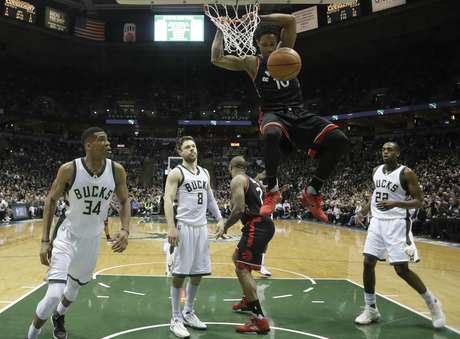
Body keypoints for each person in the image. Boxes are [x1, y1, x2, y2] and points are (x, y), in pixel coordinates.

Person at [210, 13, 350, 222]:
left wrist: (258, 16)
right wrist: (221, 28)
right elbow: (217, 58)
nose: (269, 48)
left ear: (278, 43)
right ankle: (272, 190)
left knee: (340, 140)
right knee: (272, 133)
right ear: (257, 44)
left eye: (272, 43)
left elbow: (291, 21)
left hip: (298, 112)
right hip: (272, 112)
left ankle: (312, 192)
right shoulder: (252, 62)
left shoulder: (286, 52)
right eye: (265, 44)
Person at [25, 127, 131, 339]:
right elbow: (51, 200)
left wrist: (125, 230)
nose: (108, 143)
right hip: (67, 235)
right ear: (88, 145)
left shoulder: (116, 170)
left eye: (108, 139)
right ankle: (32, 334)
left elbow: (125, 200)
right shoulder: (69, 169)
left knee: (73, 289)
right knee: (55, 293)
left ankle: (59, 316)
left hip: (91, 240)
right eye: (102, 140)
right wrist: (45, 240)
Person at [354, 142, 445, 328]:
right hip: (377, 222)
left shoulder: (406, 173)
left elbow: (420, 201)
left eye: (390, 150)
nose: (385, 152)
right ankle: (371, 309)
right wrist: (363, 211)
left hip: (397, 224)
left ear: (397, 153)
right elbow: (376, 195)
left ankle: (433, 304)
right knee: (367, 262)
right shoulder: (376, 170)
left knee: (401, 270)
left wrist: (396, 203)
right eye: (383, 150)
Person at [163, 136, 225, 338]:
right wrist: (171, 226)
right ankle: (175, 318)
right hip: (184, 227)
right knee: (180, 274)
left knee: (198, 273)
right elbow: (168, 199)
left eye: (194, 146)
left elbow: (210, 198)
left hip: (201, 228)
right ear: (180, 152)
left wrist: (220, 218)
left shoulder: (205, 172)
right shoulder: (176, 172)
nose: (192, 149)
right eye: (187, 147)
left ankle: (189, 312)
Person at [216, 156, 275, 334]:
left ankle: (260, 320)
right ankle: (248, 300)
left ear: (230, 167)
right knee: (238, 259)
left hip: (256, 226)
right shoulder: (252, 181)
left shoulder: (237, 179)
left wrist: (224, 227)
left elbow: (239, 209)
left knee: (241, 268)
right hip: (264, 224)